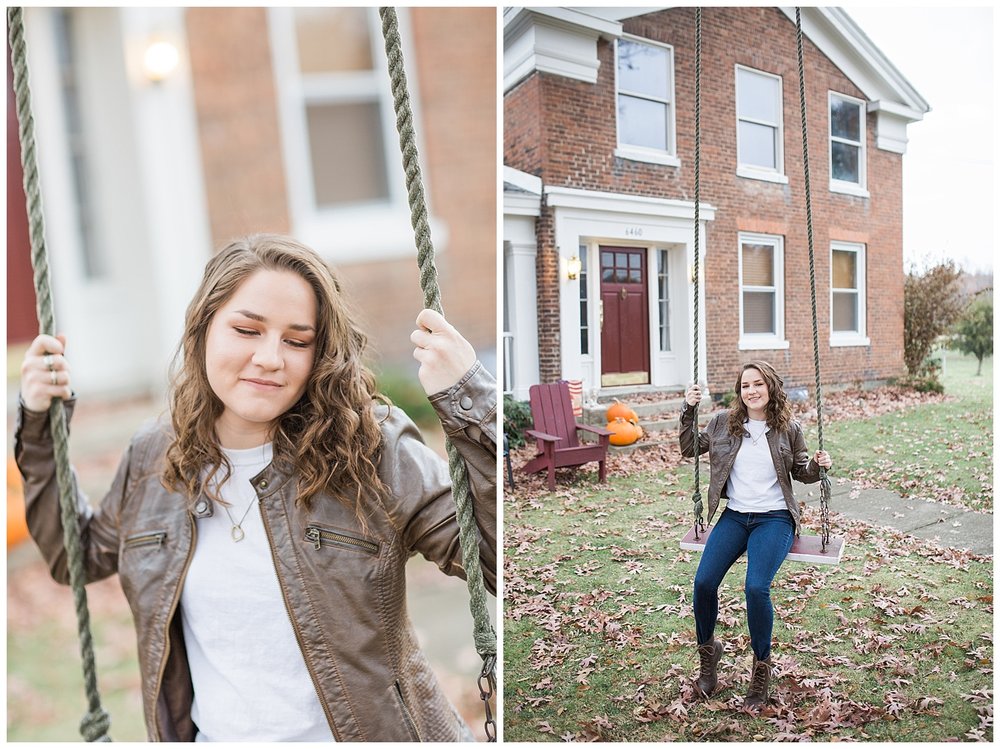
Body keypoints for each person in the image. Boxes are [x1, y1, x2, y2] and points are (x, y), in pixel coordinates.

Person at [14, 234, 497, 742]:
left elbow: (493, 560)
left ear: (320, 353)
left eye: (296, 340)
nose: (270, 358)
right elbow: (78, 555)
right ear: (203, 331)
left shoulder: (371, 450)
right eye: (247, 330)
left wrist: (468, 397)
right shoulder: (155, 458)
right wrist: (41, 430)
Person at [679, 361, 831, 710]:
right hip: (735, 516)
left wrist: (818, 467)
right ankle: (708, 654)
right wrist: (689, 408)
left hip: (774, 519)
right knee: (703, 583)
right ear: (740, 392)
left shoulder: (788, 429)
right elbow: (689, 448)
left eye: (758, 384)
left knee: (756, 587)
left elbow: (801, 471)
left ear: (771, 388)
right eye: (745, 385)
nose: (751, 391)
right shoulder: (722, 423)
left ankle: (761, 669)